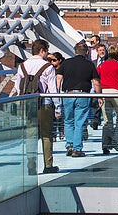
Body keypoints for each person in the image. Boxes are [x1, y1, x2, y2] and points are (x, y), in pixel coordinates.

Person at [17, 39, 60, 174]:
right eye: (46, 51)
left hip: (28, 103)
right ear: (42, 51)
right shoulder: (48, 67)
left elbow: (18, 88)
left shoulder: (22, 66)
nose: (47, 55)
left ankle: (31, 165)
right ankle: (48, 165)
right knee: (46, 134)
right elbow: (53, 89)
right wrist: (58, 107)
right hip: (44, 103)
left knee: (30, 135)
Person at [56, 41, 101, 158]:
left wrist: (57, 94)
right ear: (86, 53)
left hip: (68, 94)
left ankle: (69, 145)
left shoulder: (66, 63)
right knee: (80, 122)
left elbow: (58, 78)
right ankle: (77, 148)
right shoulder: (90, 64)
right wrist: (99, 96)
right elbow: (96, 82)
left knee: (68, 120)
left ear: (74, 52)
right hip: (83, 94)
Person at [97, 44, 118, 155]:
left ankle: (105, 145)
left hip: (104, 91)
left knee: (107, 120)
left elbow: (97, 81)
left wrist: (99, 96)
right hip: (117, 92)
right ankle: (115, 140)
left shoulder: (101, 66)